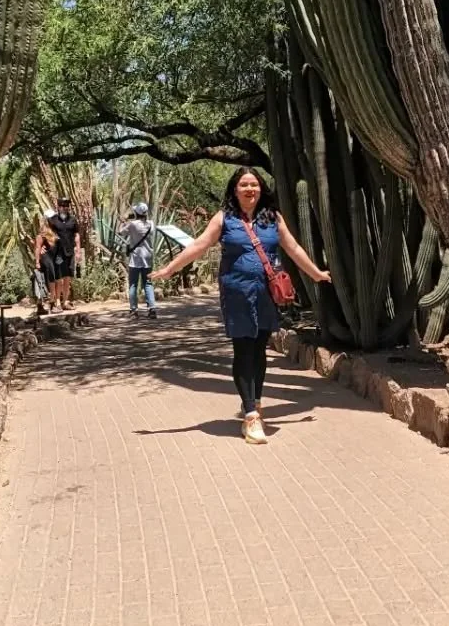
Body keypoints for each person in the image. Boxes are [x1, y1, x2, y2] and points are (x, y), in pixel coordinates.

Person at [152, 168, 329, 444]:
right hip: (237, 293)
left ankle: (255, 402)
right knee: (243, 349)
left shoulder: (273, 218)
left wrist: (315, 273)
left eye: (254, 184)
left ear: (261, 189)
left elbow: (293, 248)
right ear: (235, 190)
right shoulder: (225, 219)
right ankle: (250, 415)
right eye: (244, 185)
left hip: (265, 294)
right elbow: (199, 245)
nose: (250, 189)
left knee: (259, 350)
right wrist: (170, 269)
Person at [116, 201, 157, 319]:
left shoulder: (132, 225)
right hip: (148, 258)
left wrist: (122, 222)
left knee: (133, 284)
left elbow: (120, 233)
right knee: (148, 283)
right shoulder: (151, 224)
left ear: (136, 213)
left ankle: (134, 310)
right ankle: (152, 309)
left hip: (135, 258)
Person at [44, 196, 82, 312]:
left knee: (67, 278)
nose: (64, 208)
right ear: (58, 207)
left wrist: (78, 250)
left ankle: (65, 301)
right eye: (62, 206)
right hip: (57, 253)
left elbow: (76, 235)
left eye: (66, 206)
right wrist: (43, 247)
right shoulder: (53, 220)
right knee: (59, 278)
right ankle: (57, 302)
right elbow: (46, 233)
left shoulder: (73, 220)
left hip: (69, 252)